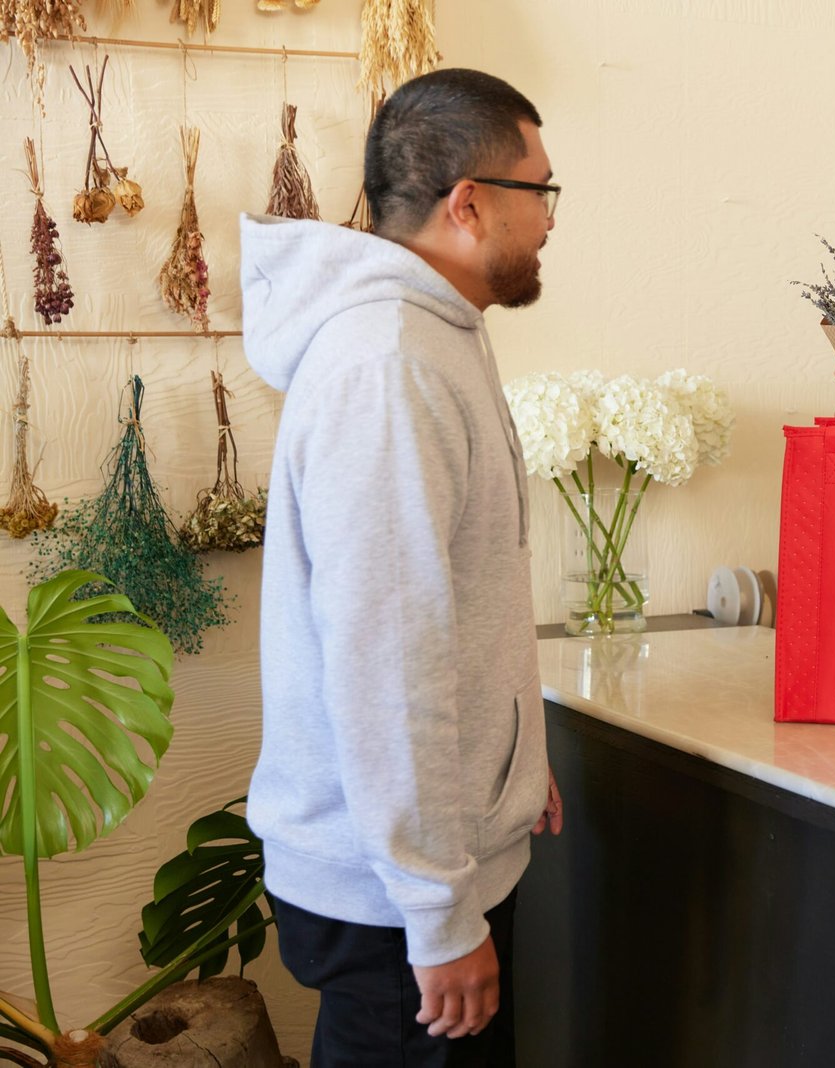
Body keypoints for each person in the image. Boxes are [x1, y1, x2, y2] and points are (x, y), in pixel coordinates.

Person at [241, 68, 564, 1067]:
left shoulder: (436, 332)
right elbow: (386, 659)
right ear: (471, 203)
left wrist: (515, 768)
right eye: (541, 191)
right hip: (395, 892)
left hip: (426, 859)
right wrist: (436, 910)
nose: (552, 219)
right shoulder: (389, 363)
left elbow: (454, 599)